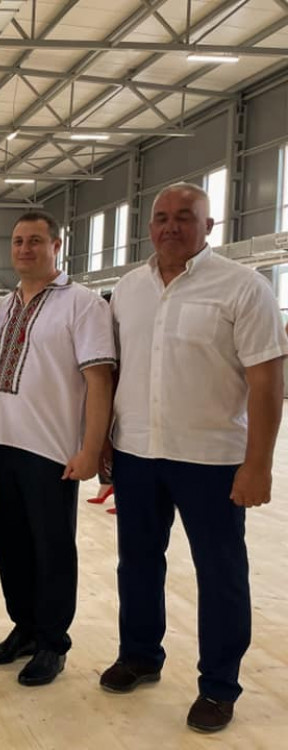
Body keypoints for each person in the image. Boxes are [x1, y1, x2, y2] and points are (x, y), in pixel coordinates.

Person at [101, 182, 288, 733]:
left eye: (185, 216)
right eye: (161, 217)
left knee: (220, 572)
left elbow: (267, 382)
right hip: (137, 452)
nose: (171, 226)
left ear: (209, 226)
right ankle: (139, 655)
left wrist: (258, 465)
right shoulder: (128, 289)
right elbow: (116, 370)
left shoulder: (243, 287)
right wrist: (106, 440)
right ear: (149, 227)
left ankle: (219, 686)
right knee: (137, 562)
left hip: (212, 460)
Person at [0, 210, 115, 685]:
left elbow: (99, 381)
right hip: (0, 443)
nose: (25, 249)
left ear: (56, 246)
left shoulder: (83, 304)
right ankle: (24, 627)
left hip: (51, 449)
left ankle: (53, 642)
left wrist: (91, 448)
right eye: (18, 241)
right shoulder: (3, 307)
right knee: (11, 545)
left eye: (35, 241)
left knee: (52, 549)